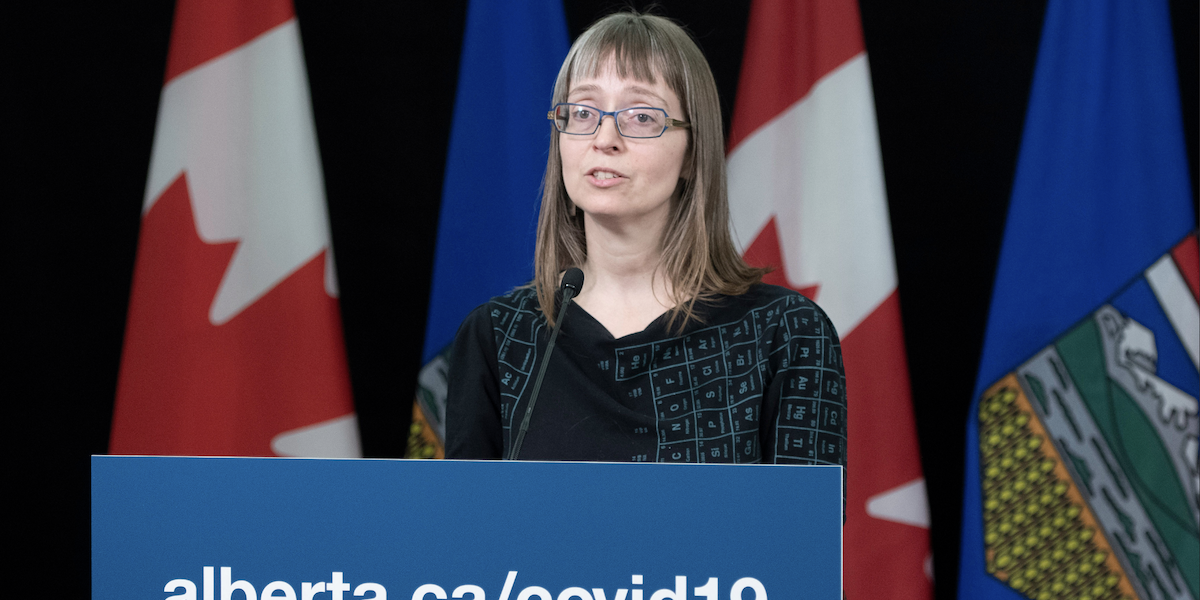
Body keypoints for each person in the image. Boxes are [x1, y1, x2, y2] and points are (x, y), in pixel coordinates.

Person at [445, 11, 846, 467]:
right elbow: (465, 530)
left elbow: (803, 534)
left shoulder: (785, 333)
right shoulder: (498, 338)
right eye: (582, 112)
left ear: (694, 153)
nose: (604, 138)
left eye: (640, 116)